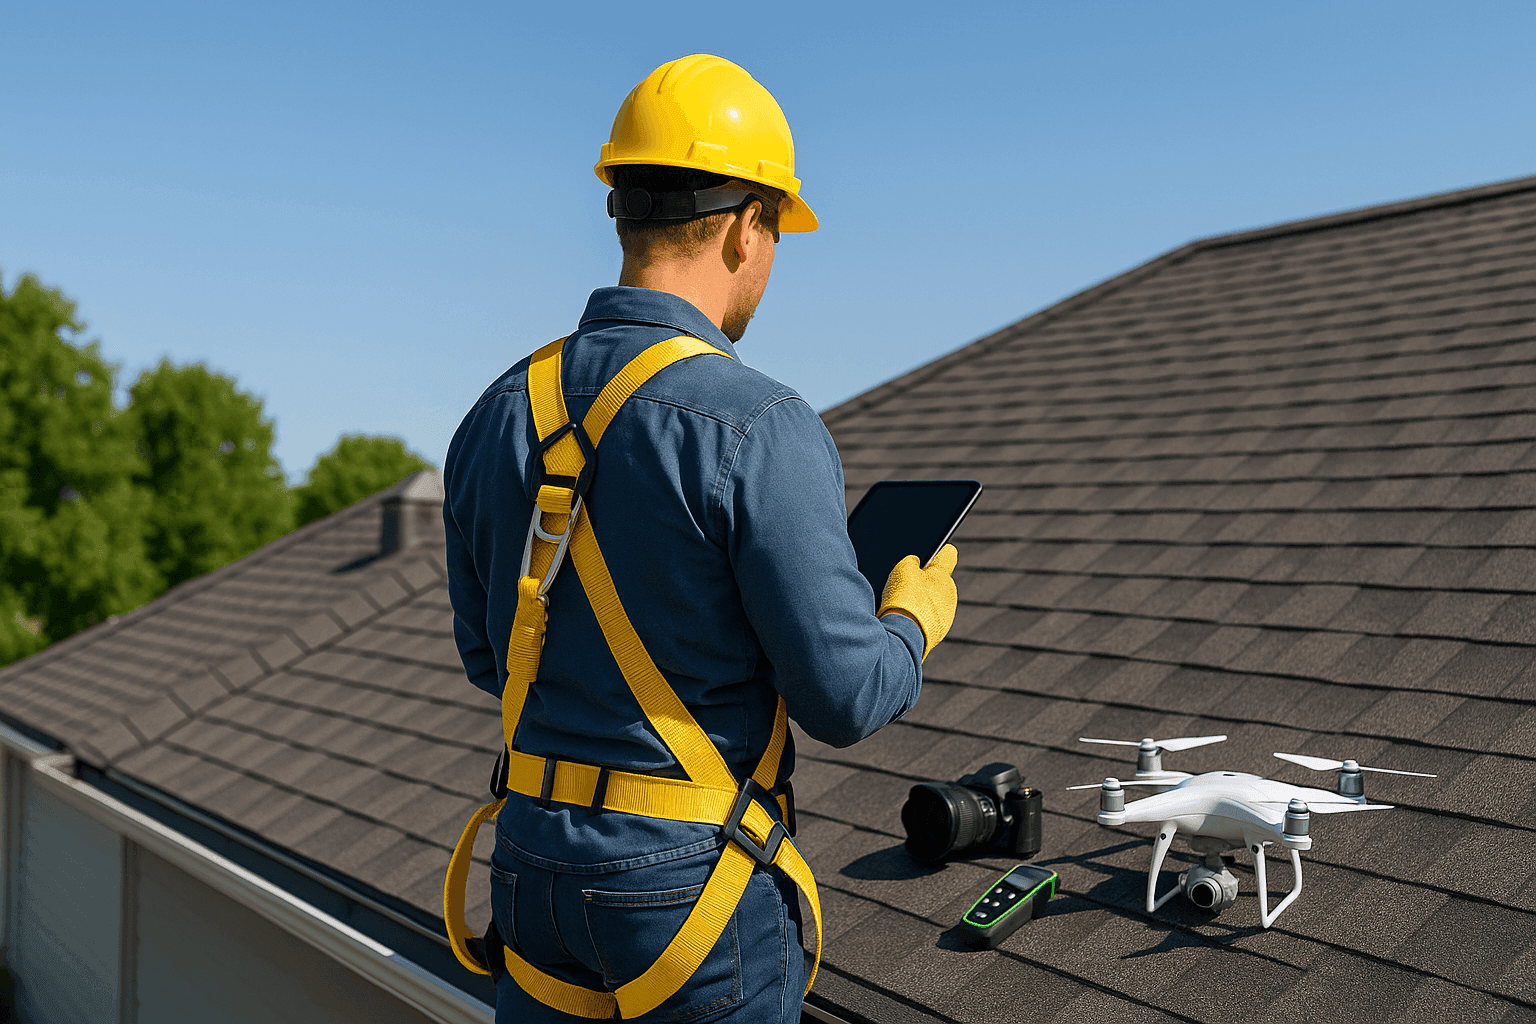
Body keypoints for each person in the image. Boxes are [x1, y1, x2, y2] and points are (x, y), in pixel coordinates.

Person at [441, 54, 959, 1023]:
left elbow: (492, 657)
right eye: (776, 232)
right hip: (690, 890)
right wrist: (909, 621)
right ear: (745, 224)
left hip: (532, 870)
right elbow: (847, 696)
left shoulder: (498, 413)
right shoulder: (758, 424)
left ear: (625, 213)